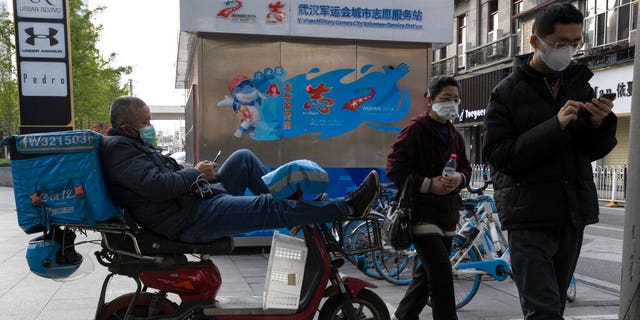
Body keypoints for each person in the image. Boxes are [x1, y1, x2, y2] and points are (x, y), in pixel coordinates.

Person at [482, 4, 617, 320]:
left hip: (571, 215)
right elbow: (500, 156)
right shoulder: (505, 93)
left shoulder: (578, 84)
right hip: (528, 217)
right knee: (542, 311)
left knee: (553, 306)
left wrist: (600, 124)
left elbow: (589, 150)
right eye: (560, 43)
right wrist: (554, 126)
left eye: (575, 42)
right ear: (535, 42)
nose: (568, 50)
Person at [100, 96, 380, 243]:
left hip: (197, 201)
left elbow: (162, 179)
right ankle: (348, 207)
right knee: (268, 207)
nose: (151, 127)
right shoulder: (120, 150)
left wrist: (197, 173)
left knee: (243, 157)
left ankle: (293, 213)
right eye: (146, 122)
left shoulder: (132, 144)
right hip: (189, 219)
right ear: (127, 128)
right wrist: (195, 172)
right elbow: (157, 187)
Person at [386, 76, 471, 320]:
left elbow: (465, 168)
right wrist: (428, 185)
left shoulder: (455, 134)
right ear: (429, 99)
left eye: (456, 100)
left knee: (425, 278)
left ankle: (403, 316)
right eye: (446, 98)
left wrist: (459, 179)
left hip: (447, 215)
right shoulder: (416, 129)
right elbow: (394, 169)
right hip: (421, 214)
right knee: (442, 276)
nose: (452, 104)